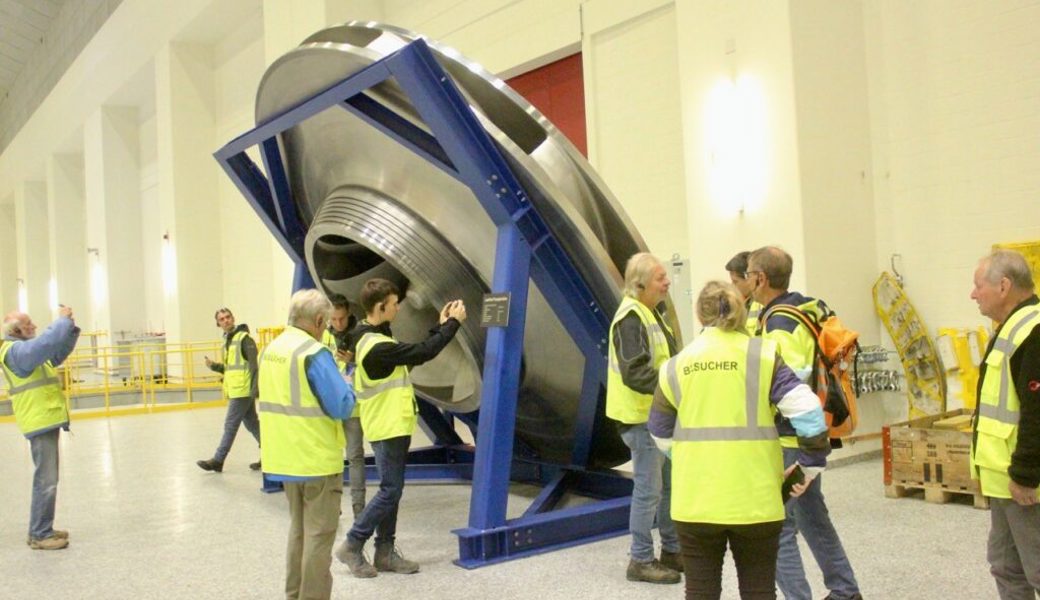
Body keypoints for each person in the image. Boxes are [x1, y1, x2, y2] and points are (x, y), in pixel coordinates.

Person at [649, 281, 830, 599]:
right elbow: (808, 410)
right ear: (741, 311)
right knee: (759, 590)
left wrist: (689, 459)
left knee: (701, 591)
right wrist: (809, 468)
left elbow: (659, 431)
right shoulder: (763, 357)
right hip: (756, 501)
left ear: (699, 314)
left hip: (695, 502)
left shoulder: (676, 366)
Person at [746, 246, 862, 600]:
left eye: (749, 274)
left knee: (777, 528)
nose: (747, 281)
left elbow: (790, 385)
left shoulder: (779, 323)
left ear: (760, 278)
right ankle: (845, 591)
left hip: (790, 443)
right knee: (813, 516)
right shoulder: (805, 307)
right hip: (806, 440)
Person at [335, 278, 466, 578]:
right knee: (390, 490)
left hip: (389, 423)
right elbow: (421, 353)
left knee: (391, 490)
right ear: (381, 306)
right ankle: (353, 544)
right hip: (388, 424)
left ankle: (385, 553)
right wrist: (452, 325)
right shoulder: (376, 346)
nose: (397, 309)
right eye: (394, 304)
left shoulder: (370, 335)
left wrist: (439, 325)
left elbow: (409, 356)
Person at [258, 289, 355, 600]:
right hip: (315, 459)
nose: (325, 328)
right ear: (316, 320)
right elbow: (341, 406)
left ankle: (294, 595)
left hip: (284, 459)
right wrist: (348, 386)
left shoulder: (271, 350)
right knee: (319, 537)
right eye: (325, 323)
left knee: (298, 533)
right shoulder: (312, 353)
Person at [606, 252, 682, 584]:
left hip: (659, 417)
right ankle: (640, 559)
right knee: (649, 490)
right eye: (660, 278)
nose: (667, 282)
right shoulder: (631, 318)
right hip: (642, 419)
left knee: (668, 487)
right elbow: (635, 373)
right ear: (640, 284)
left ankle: (672, 550)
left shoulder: (652, 313)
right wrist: (676, 390)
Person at [969, 249, 1040, 599]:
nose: (972, 294)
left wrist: (1025, 473)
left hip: (1026, 486)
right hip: (1004, 481)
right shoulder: (1010, 329)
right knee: (1007, 568)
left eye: (978, 285)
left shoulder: (1033, 332)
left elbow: (1037, 411)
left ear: (1004, 286)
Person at [1, 306, 80, 550]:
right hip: (38, 420)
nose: (34, 326)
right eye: (28, 324)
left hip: (46, 418)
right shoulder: (15, 352)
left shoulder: (29, 352)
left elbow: (56, 353)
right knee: (46, 480)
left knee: (48, 478)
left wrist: (70, 330)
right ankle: (39, 534)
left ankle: (42, 527)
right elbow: (46, 343)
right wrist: (61, 322)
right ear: (15, 331)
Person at [198, 308, 261, 472]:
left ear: (233, 318)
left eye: (228, 317)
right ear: (218, 324)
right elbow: (230, 368)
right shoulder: (228, 341)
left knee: (230, 425)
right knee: (252, 424)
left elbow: (254, 366)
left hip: (243, 391)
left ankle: (218, 459)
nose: (226, 320)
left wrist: (255, 390)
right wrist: (214, 366)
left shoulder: (244, 339)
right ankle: (272, 452)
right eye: (222, 319)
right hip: (236, 390)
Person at [321, 293, 366, 518]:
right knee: (331, 456)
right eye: (334, 319)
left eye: (342, 319)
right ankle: (332, 504)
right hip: (330, 404)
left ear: (349, 315)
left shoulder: (361, 336)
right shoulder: (323, 337)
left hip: (353, 405)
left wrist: (354, 362)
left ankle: (359, 508)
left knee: (355, 456)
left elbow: (371, 366)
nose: (338, 323)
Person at [725, 250, 764, 334]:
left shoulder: (761, 304)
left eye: (735, 282)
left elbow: (757, 340)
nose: (732, 286)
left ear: (749, 278)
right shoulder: (743, 303)